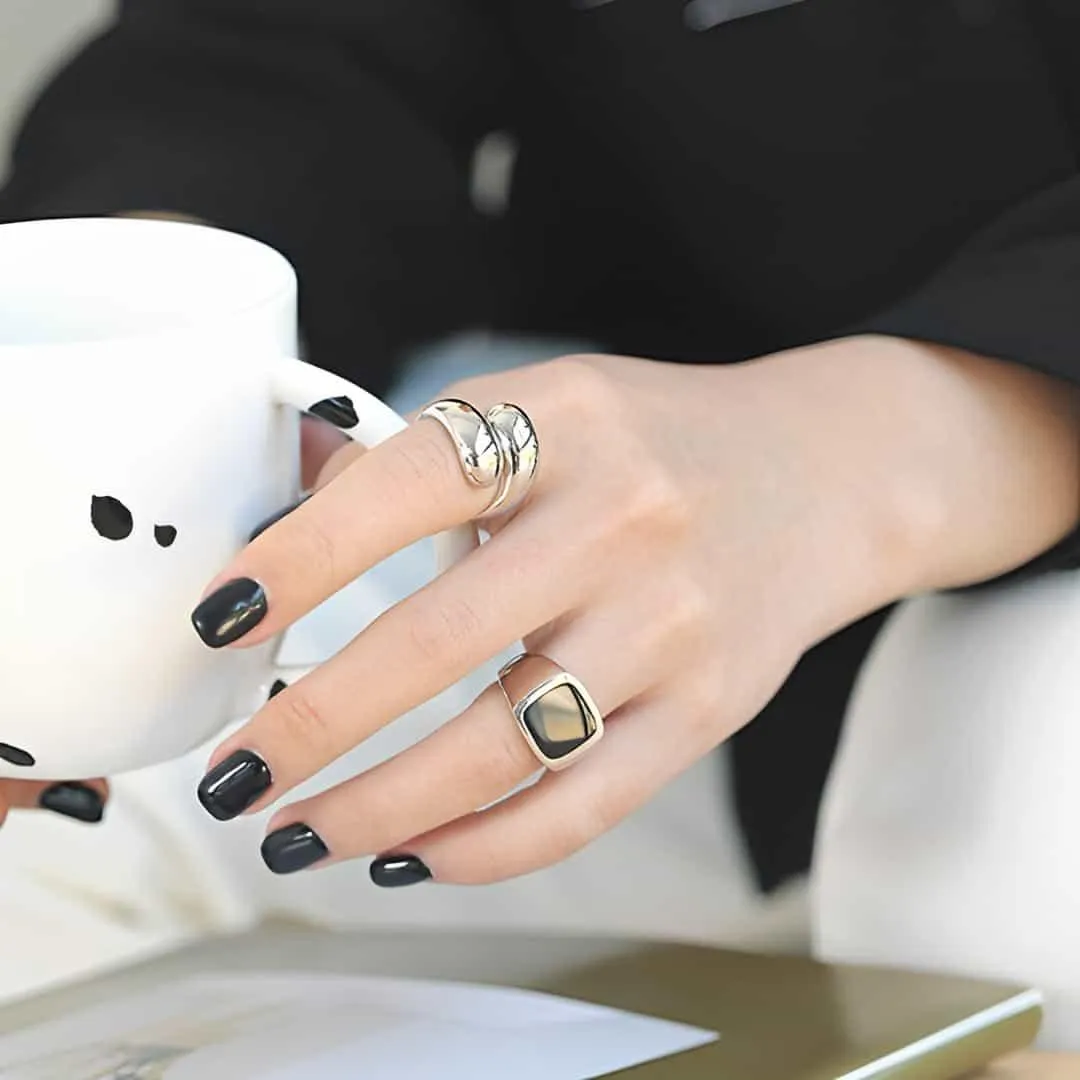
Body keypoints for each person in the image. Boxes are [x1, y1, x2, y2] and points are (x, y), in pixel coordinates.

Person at [0, 0, 1078, 1009]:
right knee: (44, 844)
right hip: (596, 500)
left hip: (949, 497)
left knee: (1001, 887)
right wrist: (127, 347)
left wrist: (865, 450)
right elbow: (277, 53)